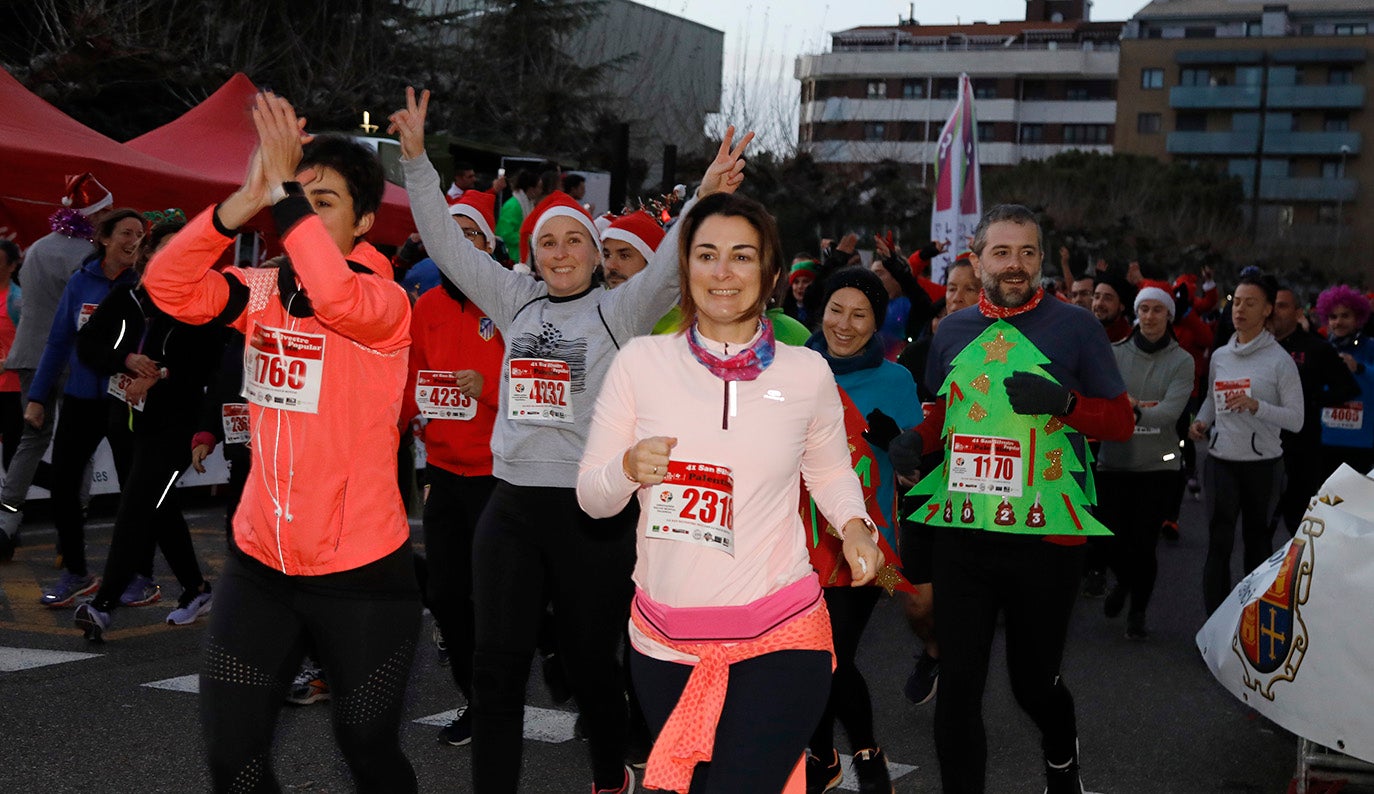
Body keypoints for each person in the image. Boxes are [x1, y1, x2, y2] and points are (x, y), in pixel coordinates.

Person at [392, 85, 752, 794]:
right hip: (513, 507)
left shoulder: (621, 309)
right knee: (497, 666)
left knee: (590, 664)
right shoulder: (513, 298)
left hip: (592, 515)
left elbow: (670, 259)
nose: (560, 253)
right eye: (547, 241)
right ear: (531, 252)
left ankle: (607, 778)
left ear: (594, 253)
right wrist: (416, 164)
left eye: (574, 241)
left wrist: (705, 193)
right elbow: (442, 242)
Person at [143, 93, 421, 793]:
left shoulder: (385, 303)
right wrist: (241, 201)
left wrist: (282, 189)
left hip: (361, 575)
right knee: (232, 759)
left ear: (362, 223)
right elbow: (168, 285)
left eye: (320, 200)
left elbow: (337, 300)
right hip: (261, 564)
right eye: (296, 196)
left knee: (368, 750)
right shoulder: (261, 290)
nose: (299, 207)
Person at [576, 190, 882, 794]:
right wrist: (629, 467)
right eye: (707, 255)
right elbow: (592, 497)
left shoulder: (805, 373)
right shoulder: (641, 363)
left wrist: (853, 527)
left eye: (742, 256)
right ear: (685, 271)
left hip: (782, 629)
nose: (723, 273)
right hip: (665, 643)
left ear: (770, 273)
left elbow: (828, 471)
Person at [894, 204, 1134, 794]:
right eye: (1002, 252)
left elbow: (1122, 422)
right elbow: (943, 411)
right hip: (966, 533)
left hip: (1046, 540)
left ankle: (1061, 763)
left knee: (1033, 683)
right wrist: (915, 439)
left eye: (1027, 252)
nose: (1016, 264)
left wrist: (1065, 405)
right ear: (976, 260)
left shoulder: (1076, 327)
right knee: (960, 684)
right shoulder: (951, 330)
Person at [72, 219, 225, 640]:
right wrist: (124, 360)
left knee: (137, 506)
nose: (176, 260)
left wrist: (162, 371)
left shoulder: (205, 302)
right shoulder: (128, 297)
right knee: (157, 507)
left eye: (186, 252)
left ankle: (103, 606)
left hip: (175, 425)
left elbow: (211, 361)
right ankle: (195, 589)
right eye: (167, 251)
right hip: (126, 421)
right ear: (150, 254)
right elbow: (88, 345)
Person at [802, 267, 921, 793]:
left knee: (831, 652)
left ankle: (865, 751)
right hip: (796, 538)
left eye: (859, 315)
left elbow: (917, 468)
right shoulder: (793, 368)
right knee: (810, 653)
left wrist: (898, 443)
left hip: (865, 542)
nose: (844, 325)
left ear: (877, 323)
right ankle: (824, 755)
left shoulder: (895, 380)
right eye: (836, 310)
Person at [400, 187, 506, 747]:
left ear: (489, 245)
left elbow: (544, 389)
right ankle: (475, 697)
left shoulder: (515, 302)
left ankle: (496, 696)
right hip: (442, 470)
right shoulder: (426, 306)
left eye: (473, 235)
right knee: (446, 593)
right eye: (453, 234)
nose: (462, 246)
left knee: (494, 598)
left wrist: (488, 391)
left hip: (501, 475)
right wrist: (398, 420)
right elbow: (411, 379)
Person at [32, 208, 144, 607]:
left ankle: (141, 575)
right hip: (80, 397)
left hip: (127, 400)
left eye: (140, 235)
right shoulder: (81, 282)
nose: (134, 241)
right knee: (62, 483)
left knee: (135, 489)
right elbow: (58, 341)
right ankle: (76, 572)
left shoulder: (145, 285)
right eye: (127, 233)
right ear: (105, 239)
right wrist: (36, 397)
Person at [0, 174, 115, 560]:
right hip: (74, 360)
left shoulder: (35, 249)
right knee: (77, 445)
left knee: (29, 442)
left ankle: (6, 523)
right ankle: (71, 530)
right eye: (108, 211)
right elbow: (89, 317)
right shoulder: (88, 256)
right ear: (93, 216)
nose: (112, 217)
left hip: (31, 356)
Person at [1190, 274, 1303, 615]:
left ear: (1267, 310)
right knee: (1218, 543)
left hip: (1262, 466)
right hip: (1221, 459)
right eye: (1236, 301)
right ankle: (1215, 625)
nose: (1239, 309)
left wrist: (1257, 406)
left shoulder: (1280, 361)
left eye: (1249, 303)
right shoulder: (1223, 355)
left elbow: (1296, 420)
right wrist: (1202, 421)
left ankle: (1252, 626)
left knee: (1257, 544)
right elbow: (1213, 398)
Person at [1095, 282, 1194, 639]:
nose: (1150, 316)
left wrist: (1132, 411)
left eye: (1157, 310)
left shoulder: (1183, 361)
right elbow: (1103, 400)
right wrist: (1126, 411)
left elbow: (1170, 412)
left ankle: (1137, 610)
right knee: (1107, 540)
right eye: (1144, 309)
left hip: (1159, 465)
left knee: (1143, 543)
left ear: (1169, 314)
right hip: (1113, 462)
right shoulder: (1114, 353)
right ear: (1135, 313)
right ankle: (1123, 581)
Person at [1268, 285, 1359, 535]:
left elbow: (1348, 389)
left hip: (1302, 447)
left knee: (1298, 520)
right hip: (1260, 446)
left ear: (1298, 312)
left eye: (1283, 306)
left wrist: (1312, 400)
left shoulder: (1316, 348)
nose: (1276, 311)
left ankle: (1302, 571)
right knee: (1259, 526)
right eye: (1272, 305)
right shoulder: (1260, 346)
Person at [1315, 285, 1373, 474]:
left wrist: (1359, 368)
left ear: (1358, 318)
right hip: (1325, 439)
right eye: (1333, 317)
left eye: (1345, 315)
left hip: (1362, 441)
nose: (1338, 322)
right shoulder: (1321, 349)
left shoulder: (1370, 347)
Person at [601, 210, 664, 290]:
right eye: (607, 256)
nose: (611, 265)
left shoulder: (672, 302)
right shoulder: (596, 301)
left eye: (624, 256)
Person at [1092, 274, 1135, 343]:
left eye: (1107, 298)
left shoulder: (1129, 341)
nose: (1099, 303)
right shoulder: (1084, 332)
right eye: (1096, 297)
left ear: (1122, 306)